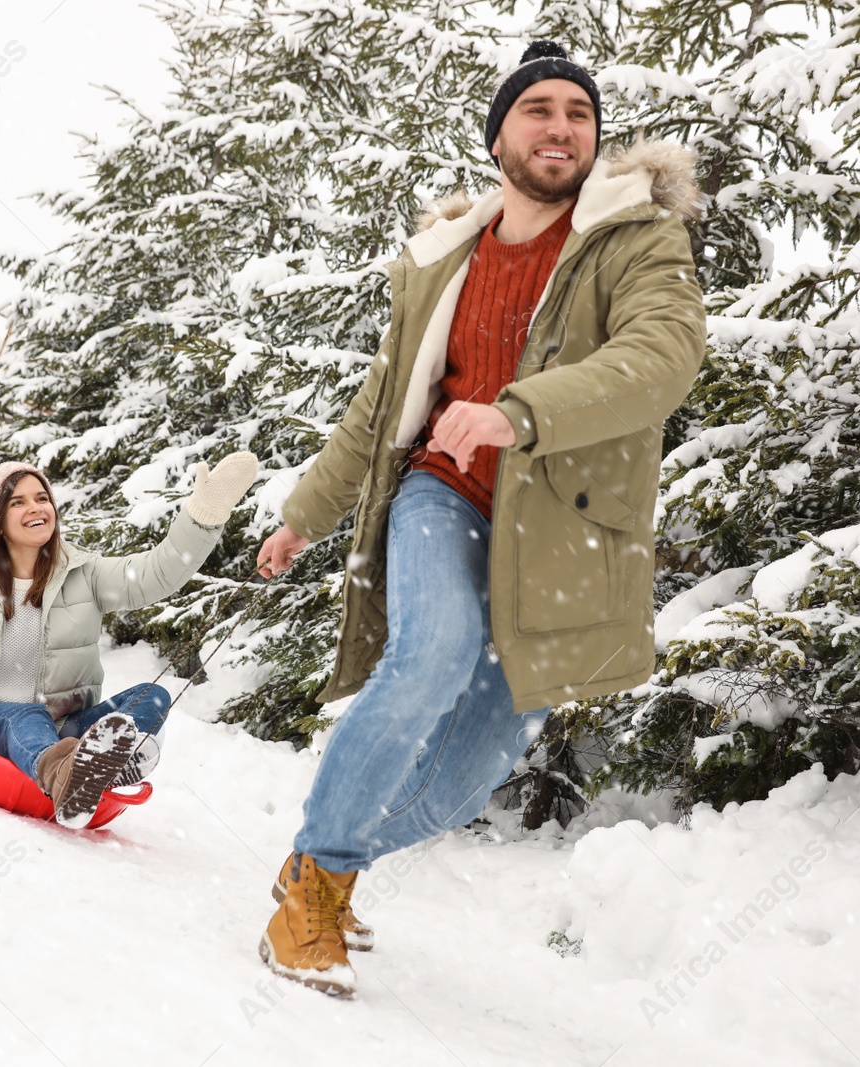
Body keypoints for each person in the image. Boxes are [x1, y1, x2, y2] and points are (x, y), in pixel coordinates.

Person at [252, 41, 707, 996]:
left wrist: (522, 410)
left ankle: (327, 869)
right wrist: (305, 515)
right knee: (433, 650)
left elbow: (664, 356)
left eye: (578, 113)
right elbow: (383, 407)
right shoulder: (442, 258)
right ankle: (315, 885)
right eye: (538, 109)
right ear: (499, 133)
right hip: (444, 490)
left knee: (471, 774)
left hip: (560, 532)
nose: (560, 127)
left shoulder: (638, 241)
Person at [0, 453, 257, 827]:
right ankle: (67, 778)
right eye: (18, 502)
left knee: (151, 699)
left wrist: (203, 516)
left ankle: (84, 770)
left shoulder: (85, 575)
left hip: (55, 728)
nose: (36, 507)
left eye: (42, 497)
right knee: (24, 714)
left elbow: (157, 573)